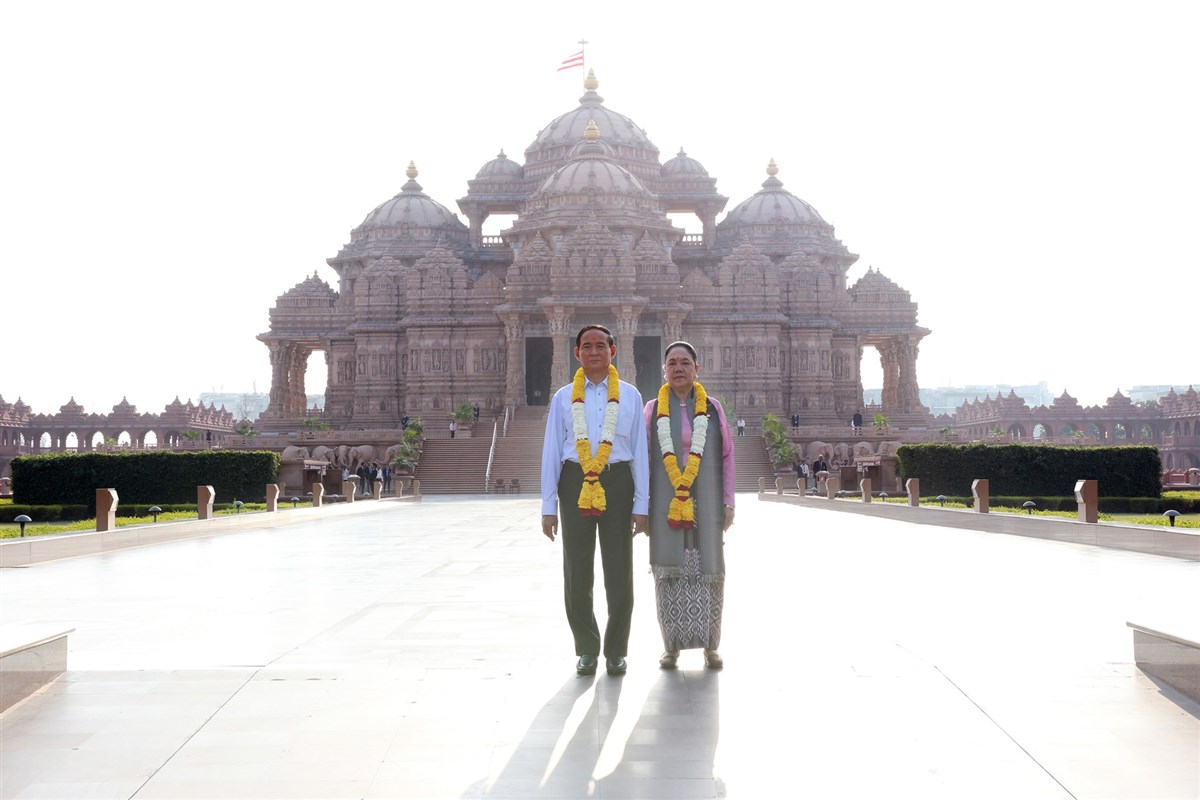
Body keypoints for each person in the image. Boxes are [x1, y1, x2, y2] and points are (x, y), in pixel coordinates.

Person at [541, 325, 649, 677]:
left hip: (617, 481)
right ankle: (586, 648)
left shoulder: (630, 396)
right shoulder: (562, 398)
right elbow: (552, 452)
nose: (593, 352)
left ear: (613, 351)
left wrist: (642, 505)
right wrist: (548, 507)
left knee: (619, 569)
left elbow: (641, 455)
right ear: (577, 354)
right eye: (586, 346)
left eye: (600, 345)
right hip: (574, 480)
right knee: (577, 569)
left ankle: (616, 649)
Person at [644, 341, 735, 670]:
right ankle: (671, 647)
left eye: (685, 362)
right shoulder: (653, 409)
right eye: (672, 363)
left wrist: (728, 502)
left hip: (707, 497)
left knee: (709, 569)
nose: (678, 368)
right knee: (669, 572)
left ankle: (711, 646)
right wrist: (641, 507)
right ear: (664, 370)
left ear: (697, 369)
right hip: (667, 501)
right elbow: (644, 460)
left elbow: (727, 455)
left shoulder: (712, 408)